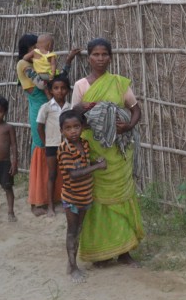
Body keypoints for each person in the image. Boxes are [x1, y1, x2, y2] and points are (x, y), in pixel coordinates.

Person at [71, 37, 144, 266]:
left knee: (121, 198)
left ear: (110, 57)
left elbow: (135, 108)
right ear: (89, 57)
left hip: (118, 151)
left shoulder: (119, 83)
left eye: (104, 54)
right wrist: (83, 108)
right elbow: (73, 117)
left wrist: (129, 126)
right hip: (94, 151)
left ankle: (124, 251)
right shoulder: (81, 85)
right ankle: (100, 254)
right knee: (99, 202)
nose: (100, 59)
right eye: (95, 54)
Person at [16, 33, 79, 216]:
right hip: (39, 110)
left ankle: (56, 197)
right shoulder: (24, 65)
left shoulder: (38, 64)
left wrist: (67, 60)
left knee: (55, 151)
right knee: (41, 149)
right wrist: (49, 65)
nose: (41, 49)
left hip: (53, 111)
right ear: (29, 49)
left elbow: (58, 79)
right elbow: (44, 85)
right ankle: (37, 201)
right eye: (36, 46)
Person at [57, 109, 107, 283]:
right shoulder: (65, 149)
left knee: (78, 230)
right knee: (72, 231)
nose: (73, 131)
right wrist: (97, 167)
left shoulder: (84, 144)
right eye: (68, 128)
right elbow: (74, 174)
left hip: (85, 195)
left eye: (76, 127)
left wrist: (95, 162)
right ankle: (72, 268)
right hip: (72, 198)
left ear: (82, 127)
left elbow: (84, 165)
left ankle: (72, 264)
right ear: (61, 131)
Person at [36, 75, 72, 215]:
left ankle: (66, 203)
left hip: (67, 146)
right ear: (51, 90)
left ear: (67, 91)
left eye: (63, 88)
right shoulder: (46, 107)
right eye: (56, 88)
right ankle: (50, 205)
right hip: (51, 145)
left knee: (68, 175)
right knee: (52, 174)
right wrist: (46, 143)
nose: (60, 91)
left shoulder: (70, 107)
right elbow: (40, 126)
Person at [23, 32, 58, 98]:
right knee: (52, 87)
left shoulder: (35, 52)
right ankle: (52, 99)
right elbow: (53, 65)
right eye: (52, 45)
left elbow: (25, 58)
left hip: (38, 75)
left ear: (37, 45)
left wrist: (32, 60)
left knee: (46, 89)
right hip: (48, 75)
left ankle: (50, 99)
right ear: (50, 45)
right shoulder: (51, 54)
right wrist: (52, 74)